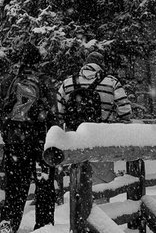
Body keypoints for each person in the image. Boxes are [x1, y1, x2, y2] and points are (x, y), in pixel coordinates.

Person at [0, 42, 59, 233]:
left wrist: (8, 136)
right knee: (45, 185)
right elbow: (54, 114)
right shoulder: (44, 81)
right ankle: (43, 226)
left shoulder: (9, 82)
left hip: (16, 142)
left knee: (15, 185)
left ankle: (8, 223)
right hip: (40, 141)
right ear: (38, 60)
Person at [56, 50, 132, 187]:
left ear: (85, 64)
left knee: (78, 177)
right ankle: (101, 204)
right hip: (102, 137)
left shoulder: (67, 83)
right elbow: (125, 111)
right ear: (101, 65)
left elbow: (58, 112)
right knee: (102, 180)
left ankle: (78, 205)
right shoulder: (111, 82)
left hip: (75, 138)